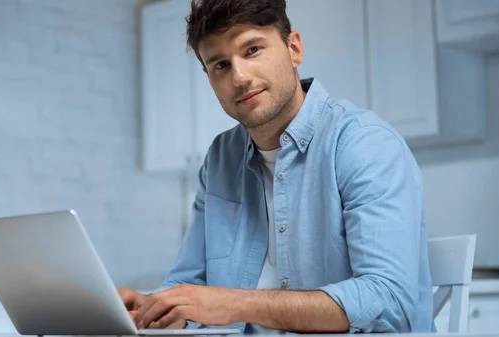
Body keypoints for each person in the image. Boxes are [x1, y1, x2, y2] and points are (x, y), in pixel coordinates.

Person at [118, 0, 434, 333]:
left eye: (252, 49)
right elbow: (188, 284)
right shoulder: (220, 158)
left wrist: (231, 304)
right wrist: (158, 309)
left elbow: (389, 302)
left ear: (294, 48)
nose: (239, 77)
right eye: (221, 65)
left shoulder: (363, 142)